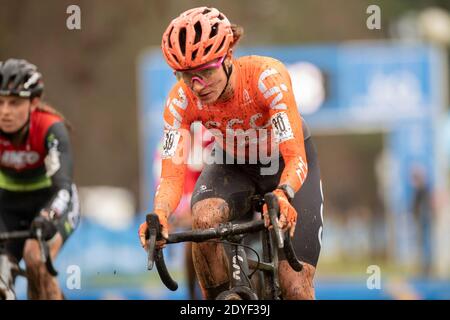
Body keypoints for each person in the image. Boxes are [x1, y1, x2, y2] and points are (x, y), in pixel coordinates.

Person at [139, 7, 324, 300]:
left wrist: (285, 193)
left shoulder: (267, 78)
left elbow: (295, 157)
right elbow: (172, 173)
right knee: (203, 218)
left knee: (296, 289)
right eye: (187, 76)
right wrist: (161, 213)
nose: (197, 86)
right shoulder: (180, 99)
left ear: (227, 57)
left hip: (282, 166)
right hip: (232, 165)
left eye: (205, 72)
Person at [0, 59, 80, 299]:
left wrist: (48, 216)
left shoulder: (49, 128)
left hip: (51, 201)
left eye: (14, 103)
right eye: (0, 102)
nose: (5, 111)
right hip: (7, 206)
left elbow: (63, 188)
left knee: (35, 258)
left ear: (34, 102)